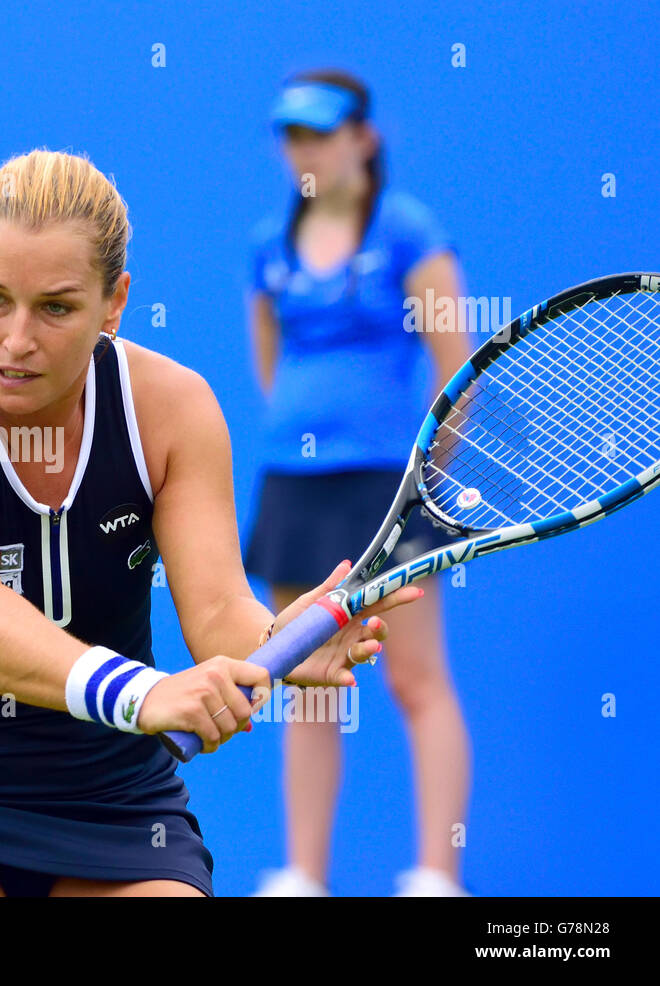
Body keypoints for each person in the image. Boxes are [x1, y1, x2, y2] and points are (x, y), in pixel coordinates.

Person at [0, 148, 421, 897]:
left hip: (120, 809)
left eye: (57, 307)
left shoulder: (171, 409)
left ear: (115, 301)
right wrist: (142, 695)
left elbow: (218, 618)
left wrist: (281, 642)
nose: (15, 339)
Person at [243, 71, 475, 896]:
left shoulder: (410, 233)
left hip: (387, 485)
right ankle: (304, 875)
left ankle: (435, 877)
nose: (304, 149)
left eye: (321, 132)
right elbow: (272, 366)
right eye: (292, 134)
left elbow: (459, 373)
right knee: (307, 684)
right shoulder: (269, 243)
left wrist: (420, 486)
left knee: (415, 678)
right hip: (296, 488)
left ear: (363, 139)